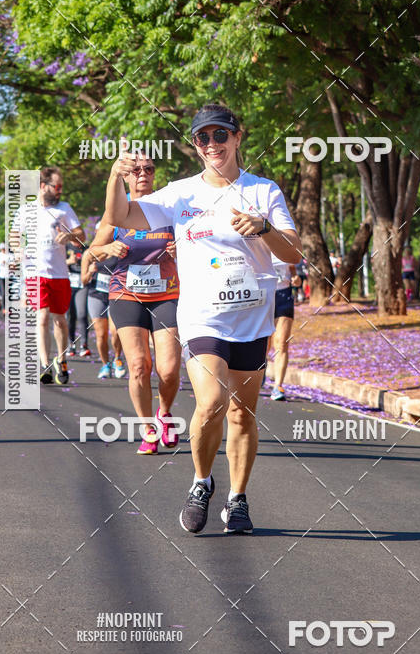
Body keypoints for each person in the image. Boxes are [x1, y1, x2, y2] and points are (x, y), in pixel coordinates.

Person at [104, 104, 301, 534]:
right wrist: (116, 177)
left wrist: (264, 228)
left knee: (242, 414)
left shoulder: (263, 191)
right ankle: (201, 482)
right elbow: (120, 217)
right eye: (203, 138)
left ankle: (237, 498)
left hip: (252, 319)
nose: (212, 144)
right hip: (202, 318)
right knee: (211, 401)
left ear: (237, 137)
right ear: (195, 145)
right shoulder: (180, 194)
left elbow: (293, 251)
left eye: (220, 135)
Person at [92, 156, 181, 451]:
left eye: (149, 169)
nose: (143, 173)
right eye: (136, 170)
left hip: (167, 293)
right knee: (139, 365)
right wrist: (108, 247)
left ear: (154, 175)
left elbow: (195, 242)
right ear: (127, 176)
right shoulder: (117, 212)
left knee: (168, 369)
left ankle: (164, 413)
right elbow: (92, 252)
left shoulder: (168, 208)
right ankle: (147, 428)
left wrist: (180, 248)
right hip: (126, 294)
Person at [11, 167, 85, 385]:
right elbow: (14, 235)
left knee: (60, 320)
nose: (60, 190)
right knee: (41, 316)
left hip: (59, 274)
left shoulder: (64, 209)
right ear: (43, 186)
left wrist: (69, 236)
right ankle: (45, 364)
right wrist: (18, 250)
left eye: (61, 187)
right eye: (57, 186)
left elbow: (81, 236)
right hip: (35, 273)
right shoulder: (26, 210)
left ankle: (61, 360)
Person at [80, 245, 124, 379]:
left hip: (115, 295)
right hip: (96, 295)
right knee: (101, 335)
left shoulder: (118, 249)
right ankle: (105, 365)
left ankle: (117, 359)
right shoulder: (90, 254)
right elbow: (84, 280)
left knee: (115, 331)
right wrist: (90, 272)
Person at [267, 254, 301, 401]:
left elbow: (292, 268)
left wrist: (295, 277)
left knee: (282, 342)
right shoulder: (257, 243)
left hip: (284, 296)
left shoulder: (285, 244)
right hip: (263, 296)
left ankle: (278, 386)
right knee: (264, 343)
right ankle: (260, 370)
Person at [66, 241, 91, 357]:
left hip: (82, 285)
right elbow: (56, 264)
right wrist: (69, 262)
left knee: (82, 314)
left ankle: (84, 345)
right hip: (68, 285)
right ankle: (71, 344)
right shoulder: (65, 247)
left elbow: (94, 262)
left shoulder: (87, 248)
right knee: (70, 316)